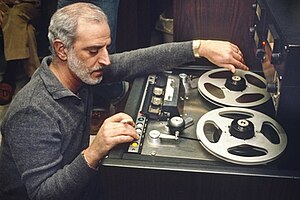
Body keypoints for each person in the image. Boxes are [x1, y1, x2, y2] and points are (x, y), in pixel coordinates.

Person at [0, 3, 248, 200]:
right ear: (62, 50)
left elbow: (134, 61)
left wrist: (199, 47)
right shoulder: (32, 111)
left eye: (106, 47)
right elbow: (44, 194)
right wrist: (95, 150)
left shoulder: (79, 69)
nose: (106, 59)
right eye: (94, 50)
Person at [0, 0, 41, 105]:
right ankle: (36, 76)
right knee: (28, 30)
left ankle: (10, 75)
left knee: (14, 15)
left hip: (26, 5)